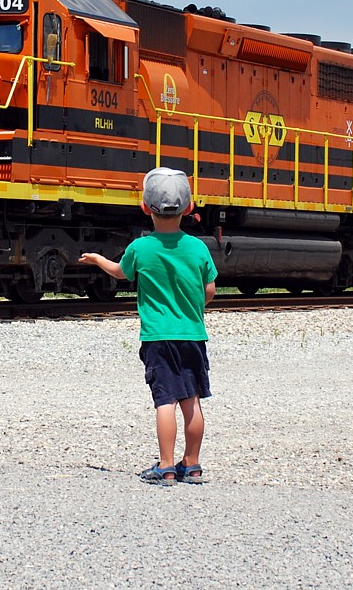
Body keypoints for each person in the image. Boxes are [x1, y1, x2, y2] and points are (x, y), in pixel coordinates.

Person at [79, 167, 218, 485]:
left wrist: (99, 259)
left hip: (158, 338)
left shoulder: (140, 248)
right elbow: (208, 290)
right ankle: (193, 465)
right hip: (193, 335)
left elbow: (120, 272)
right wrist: (194, 309)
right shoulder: (198, 248)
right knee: (192, 400)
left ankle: (166, 466)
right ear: (189, 208)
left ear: (145, 207)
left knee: (165, 400)